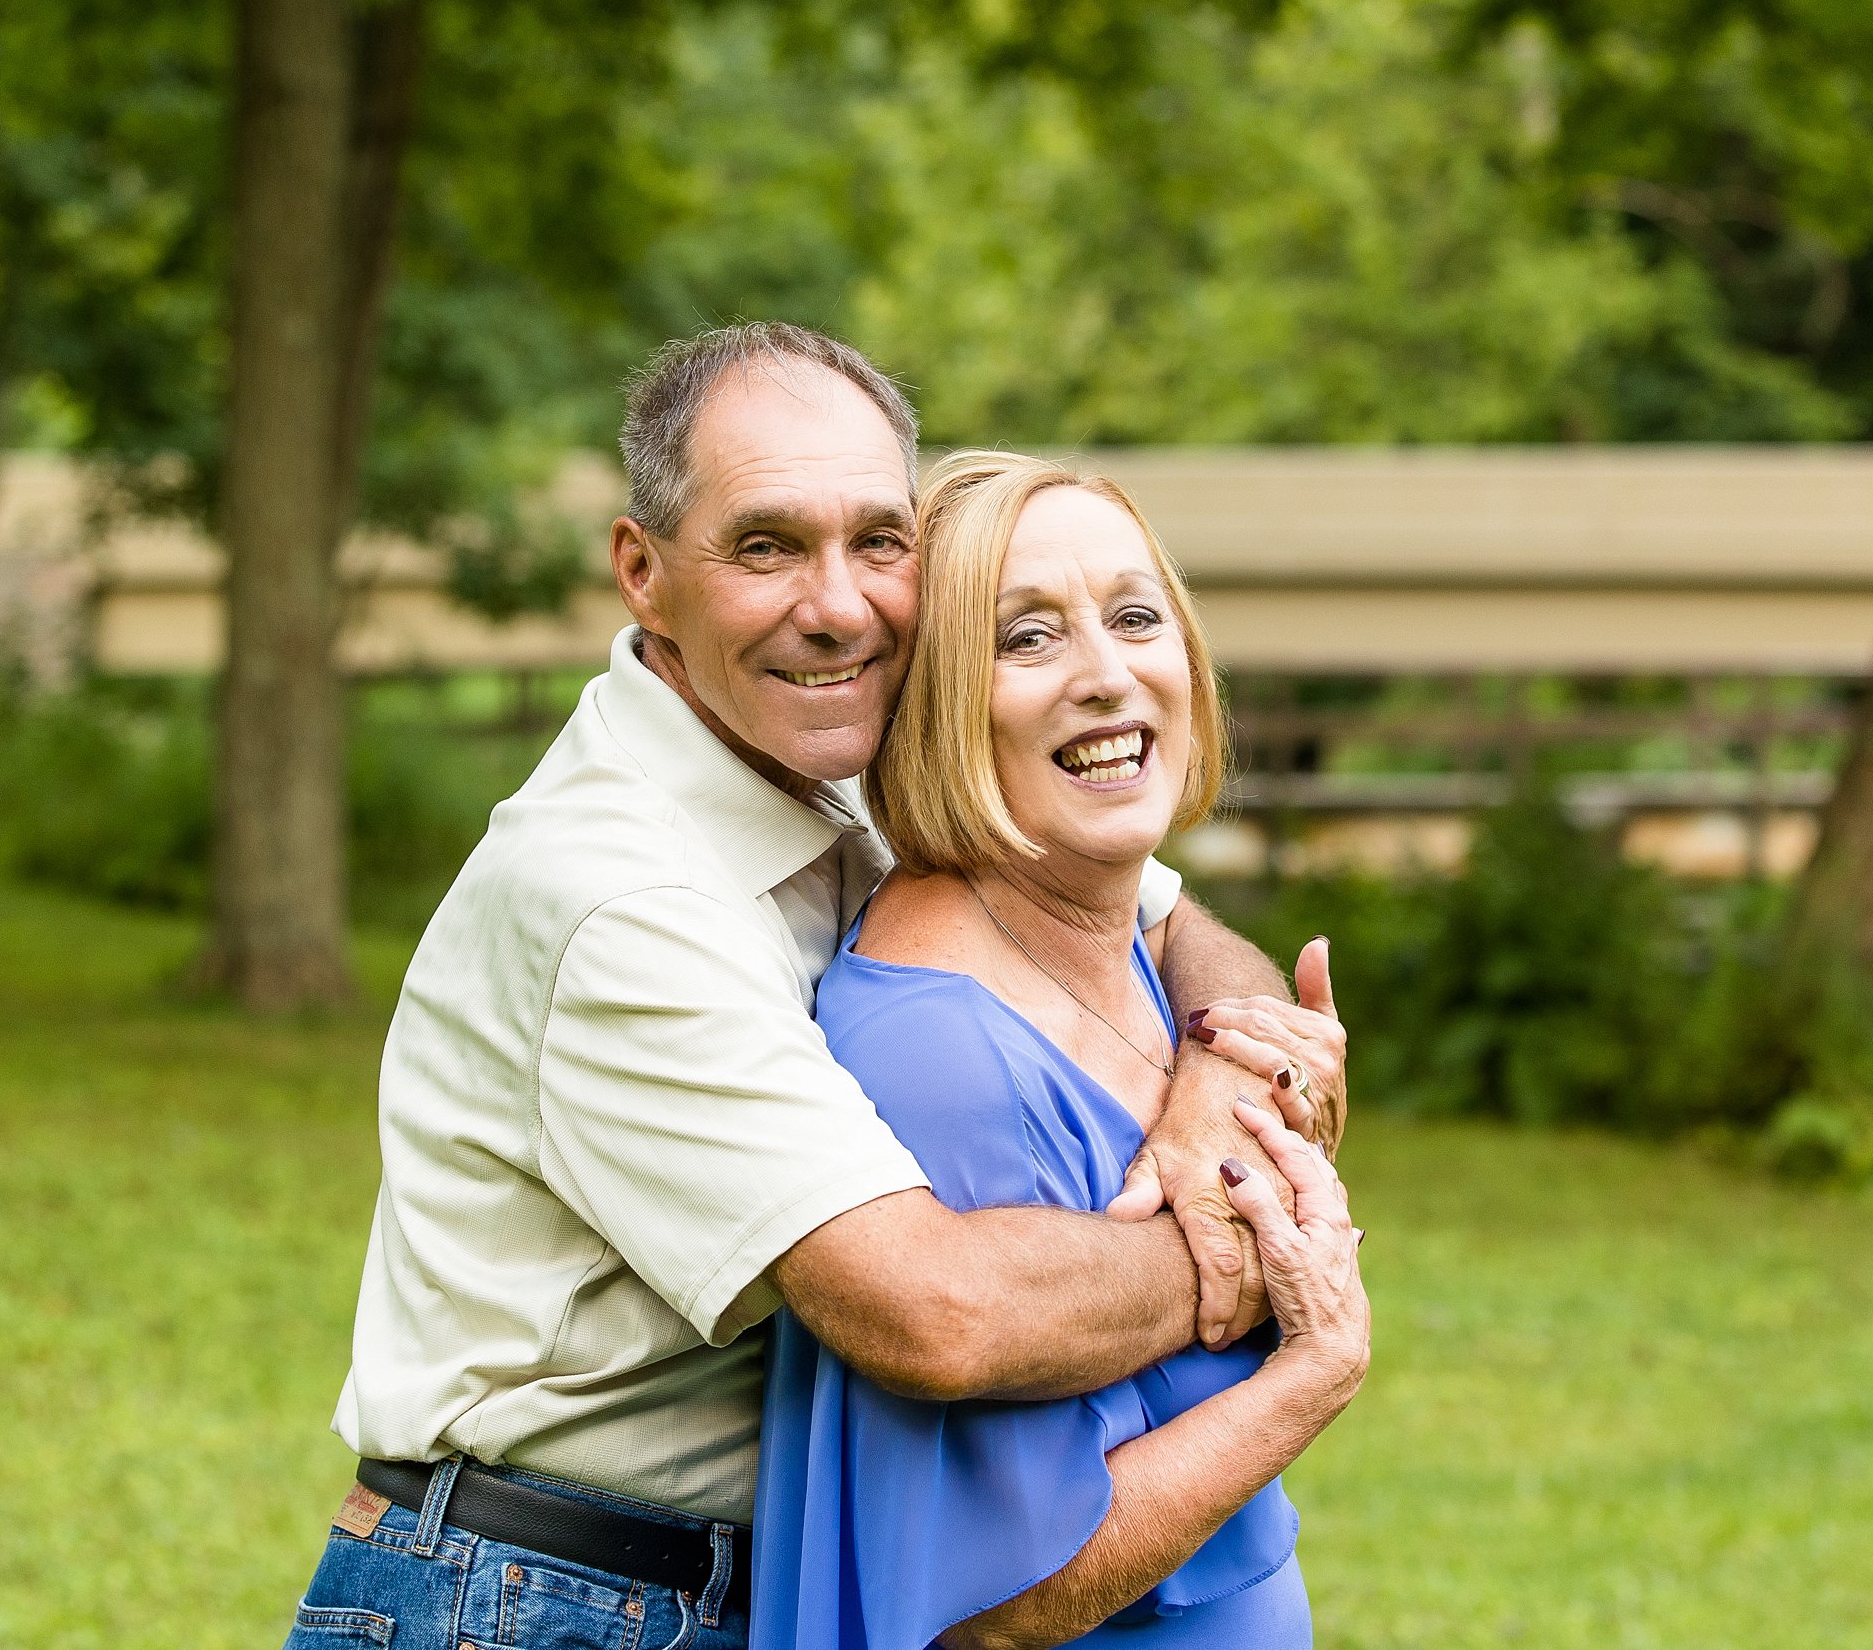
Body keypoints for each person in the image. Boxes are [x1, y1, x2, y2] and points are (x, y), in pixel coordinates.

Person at [282, 325, 1349, 1650]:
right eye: (767, 545)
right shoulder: (618, 892)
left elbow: (1176, 915)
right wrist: (1256, 1247)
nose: (838, 603)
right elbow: (939, 1314)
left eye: (879, 541)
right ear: (644, 573)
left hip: (720, 1578)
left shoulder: (843, 744)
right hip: (538, 1594)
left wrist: (1221, 1075)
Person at [753, 452, 1370, 1650]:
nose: (1106, 674)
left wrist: (1239, 1064)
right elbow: (990, 1604)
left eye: (1136, 617)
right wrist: (1314, 1367)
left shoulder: (1106, 928)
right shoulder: (943, 1049)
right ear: (936, 699)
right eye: (1026, 638)